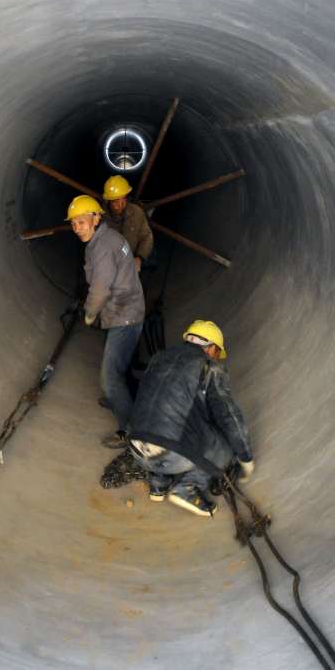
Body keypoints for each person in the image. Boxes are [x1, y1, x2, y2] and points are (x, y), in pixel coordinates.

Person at [127, 320, 254, 517]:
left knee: (161, 418)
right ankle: (187, 488)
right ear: (211, 347)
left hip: (136, 448)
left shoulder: (158, 358)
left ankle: (158, 484)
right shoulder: (209, 367)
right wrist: (245, 457)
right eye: (217, 352)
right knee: (224, 449)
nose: (217, 357)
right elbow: (228, 416)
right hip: (173, 455)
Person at [66, 194, 145, 447]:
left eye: (82, 221)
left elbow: (100, 289)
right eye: (74, 223)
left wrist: (90, 313)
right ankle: (117, 398)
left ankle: (130, 431)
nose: (77, 227)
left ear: (96, 218)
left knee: (109, 377)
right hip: (126, 308)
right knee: (117, 367)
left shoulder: (102, 247)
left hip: (125, 315)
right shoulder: (107, 238)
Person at [102, 175, 154, 274]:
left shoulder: (137, 213)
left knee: (150, 264)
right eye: (116, 201)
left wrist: (139, 258)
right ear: (108, 201)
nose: (121, 205)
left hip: (133, 259)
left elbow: (147, 236)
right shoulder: (99, 218)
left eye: (123, 199)